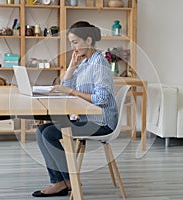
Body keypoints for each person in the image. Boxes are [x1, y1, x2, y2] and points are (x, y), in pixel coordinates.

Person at [32, 21, 118, 197]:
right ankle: (59, 182)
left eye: (75, 42)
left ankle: (68, 181)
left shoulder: (98, 64)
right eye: (71, 42)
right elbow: (67, 84)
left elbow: (101, 99)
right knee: (42, 130)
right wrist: (72, 65)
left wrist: (70, 91)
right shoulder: (85, 62)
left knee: (49, 134)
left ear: (88, 40)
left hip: (101, 122)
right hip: (87, 118)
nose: (72, 47)